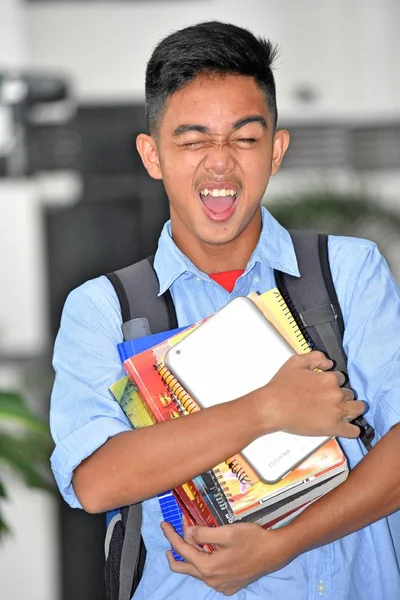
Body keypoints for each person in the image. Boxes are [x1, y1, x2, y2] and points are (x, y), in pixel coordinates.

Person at [50, 21, 400, 600]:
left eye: (244, 138)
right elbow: (96, 481)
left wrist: (283, 545)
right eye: (192, 141)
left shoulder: (349, 272)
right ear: (152, 155)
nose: (219, 164)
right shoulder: (105, 310)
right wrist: (267, 409)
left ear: (277, 150)